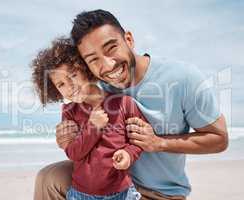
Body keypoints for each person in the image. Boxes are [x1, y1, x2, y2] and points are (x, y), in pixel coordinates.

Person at [33, 10, 228, 200]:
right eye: (93, 60)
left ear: (129, 39)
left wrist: (159, 143)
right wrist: (66, 135)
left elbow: (219, 138)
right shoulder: (92, 87)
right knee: (49, 178)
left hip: (158, 192)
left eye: (111, 48)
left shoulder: (183, 78)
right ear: (85, 66)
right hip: (107, 180)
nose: (108, 66)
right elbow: (77, 131)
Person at [31, 37, 148, 199]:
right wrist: (93, 127)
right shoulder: (69, 111)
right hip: (81, 194)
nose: (70, 86)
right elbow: (73, 153)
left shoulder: (123, 103)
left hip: (123, 193)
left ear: (86, 69)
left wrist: (128, 154)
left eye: (73, 75)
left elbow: (139, 141)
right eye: (61, 84)